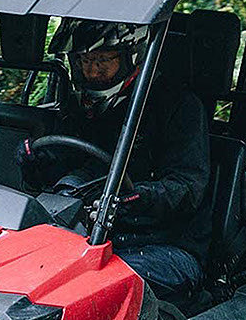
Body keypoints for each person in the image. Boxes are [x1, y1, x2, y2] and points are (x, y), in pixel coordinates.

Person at [18, 18, 211, 301]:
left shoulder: (179, 107)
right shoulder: (80, 107)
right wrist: (36, 163)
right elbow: (69, 168)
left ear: (130, 57)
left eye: (102, 61)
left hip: (163, 244)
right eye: (84, 61)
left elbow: (188, 188)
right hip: (89, 236)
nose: (92, 72)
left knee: (86, 288)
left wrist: (139, 198)